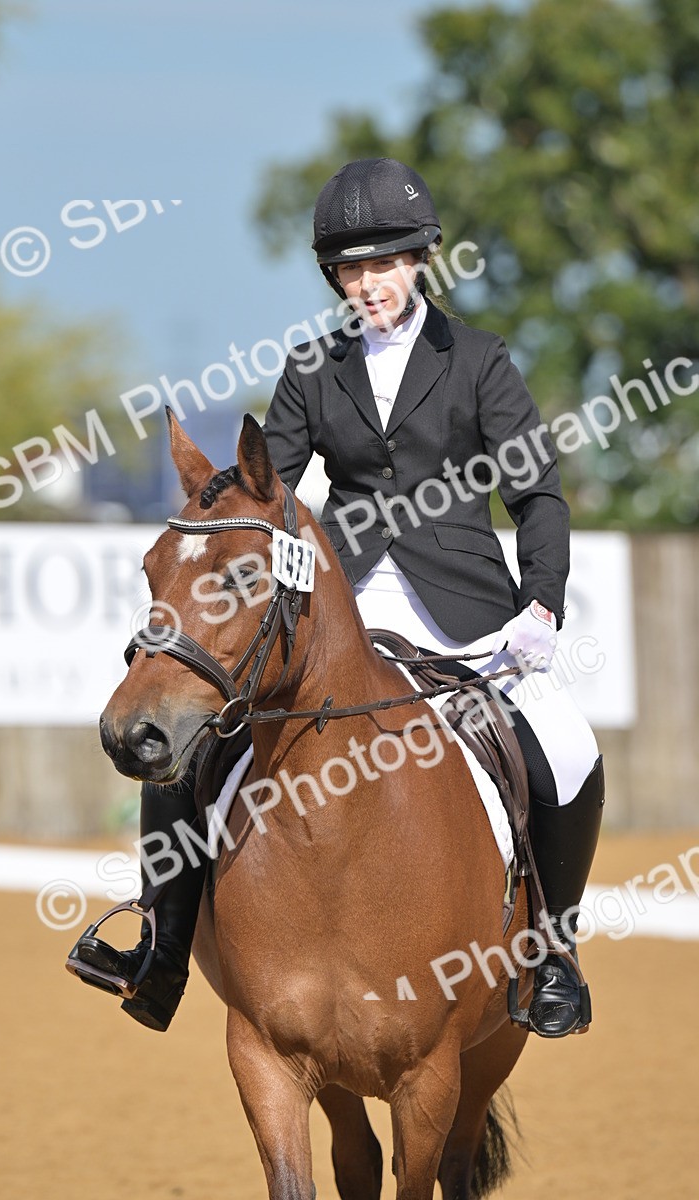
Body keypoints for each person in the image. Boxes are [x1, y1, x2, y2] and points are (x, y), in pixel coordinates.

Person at [71, 157, 604, 1039]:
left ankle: (553, 953)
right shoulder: (313, 367)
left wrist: (541, 605)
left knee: (569, 747)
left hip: (466, 605)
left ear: (419, 259)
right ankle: (160, 952)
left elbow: (538, 495)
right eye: (351, 270)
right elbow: (265, 490)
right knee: (199, 745)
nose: (369, 284)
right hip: (342, 600)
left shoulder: (478, 360)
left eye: (384, 263)